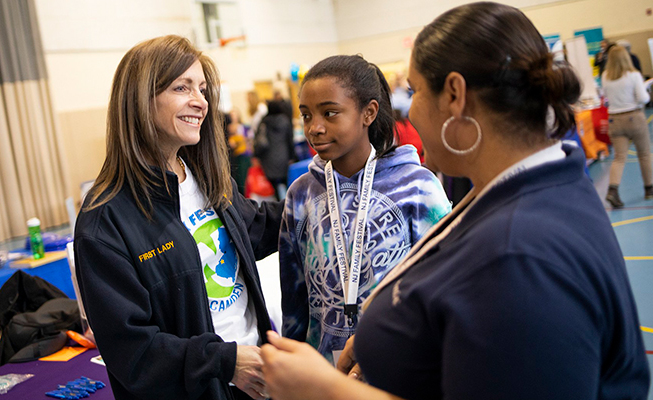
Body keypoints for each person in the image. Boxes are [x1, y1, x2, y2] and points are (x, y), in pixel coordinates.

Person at [262, 3, 650, 400]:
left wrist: (324, 389)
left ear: (454, 95)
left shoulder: (520, 254)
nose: (409, 111)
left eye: (414, 92)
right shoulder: (529, 187)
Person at [73, 35, 283, 400]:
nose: (200, 102)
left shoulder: (206, 177)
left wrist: (320, 198)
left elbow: (256, 227)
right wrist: (225, 362)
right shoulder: (104, 220)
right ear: (140, 99)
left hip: (254, 379)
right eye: (181, 87)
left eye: (202, 89)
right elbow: (133, 352)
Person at [279, 54, 451, 365]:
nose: (315, 128)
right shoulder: (301, 194)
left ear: (368, 112)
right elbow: (294, 295)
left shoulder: (417, 187)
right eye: (306, 116)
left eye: (330, 113)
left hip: (402, 366)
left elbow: (444, 289)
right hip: (324, 370)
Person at [601, 45, 652, 208]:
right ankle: (649, 189)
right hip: (634, 118)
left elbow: (606, 97)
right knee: (644, 154)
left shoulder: (605, 76)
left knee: (619, 157)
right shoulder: (634, 75)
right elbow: (643, 98)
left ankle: (612, 190)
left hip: (615, 120)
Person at [254, 100, 296, 200]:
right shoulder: (285, 121)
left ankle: (280, 205)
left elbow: (258, 141)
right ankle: (292, 202)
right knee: (288, 183)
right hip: (283, 156)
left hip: (268, 158)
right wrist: (292, 156)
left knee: (274, 187)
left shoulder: (264, 122)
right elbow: (290, 140)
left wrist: (256, 156)